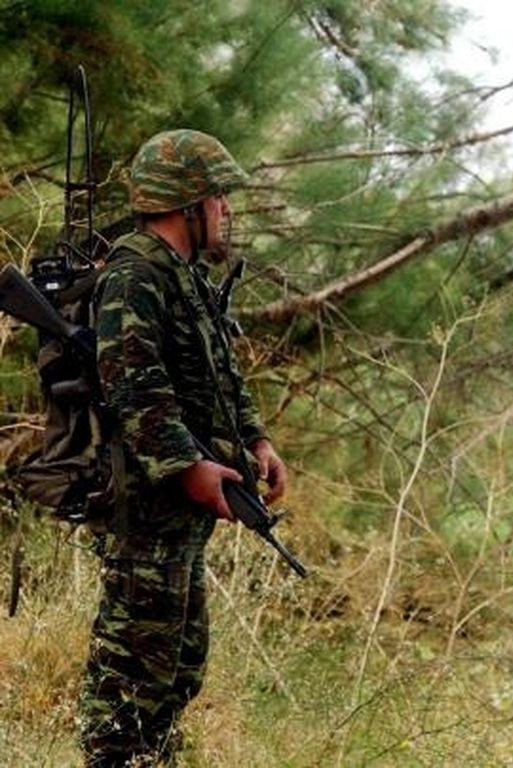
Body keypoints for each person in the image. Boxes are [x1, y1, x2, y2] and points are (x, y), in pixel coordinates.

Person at [78, 129, 289, 767]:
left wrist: (255, 436)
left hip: (183, 514)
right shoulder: (134, 274)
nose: (226, 208)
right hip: (148, 507)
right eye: (217, 196)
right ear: (187, 203)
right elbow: (134, 392)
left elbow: (218, 373)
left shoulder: (185, 278)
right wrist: (188, 465)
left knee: (180, 663)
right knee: (131, 676)